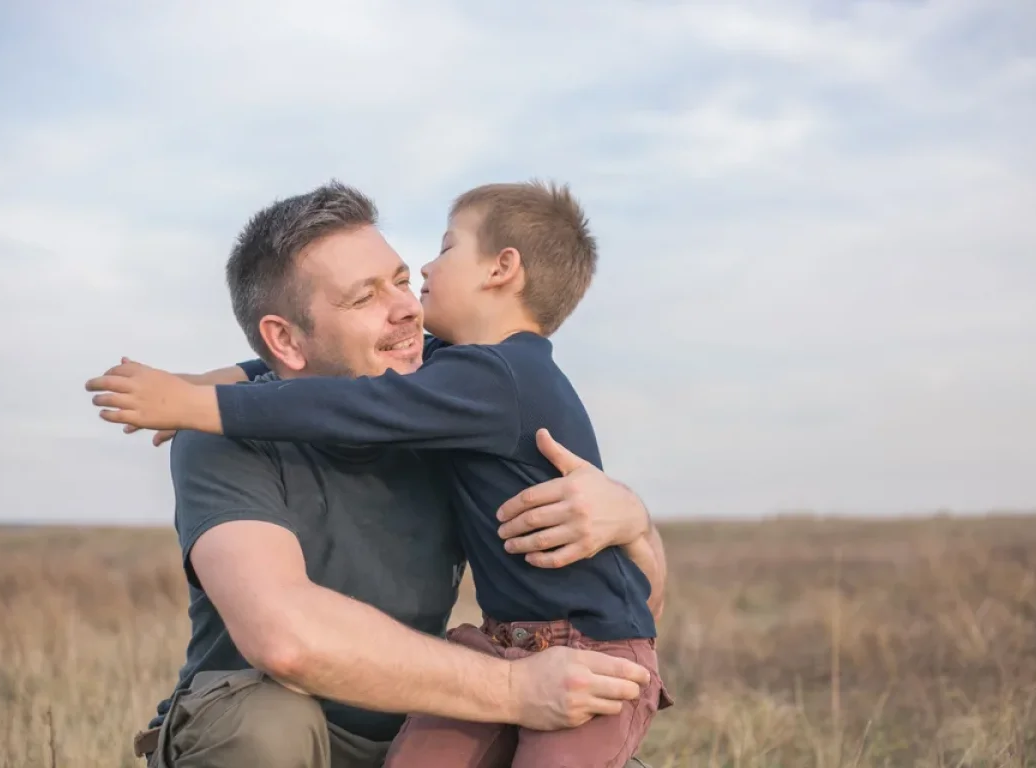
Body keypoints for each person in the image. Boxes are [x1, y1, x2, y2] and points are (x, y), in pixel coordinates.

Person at [87, 180, 669, 768]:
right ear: (284, 340)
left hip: (412, 721)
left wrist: (632, 518)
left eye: (399, 280)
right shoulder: (226, 438)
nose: (409, 305)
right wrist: (519, 691)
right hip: (278, 723)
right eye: (364, 297)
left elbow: (640, 605)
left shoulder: (447, 406)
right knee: (269, 728)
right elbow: (285, 640)